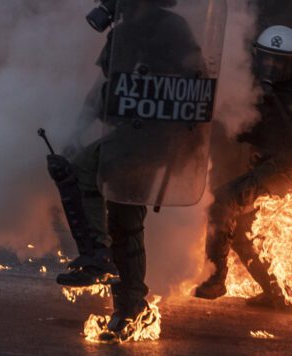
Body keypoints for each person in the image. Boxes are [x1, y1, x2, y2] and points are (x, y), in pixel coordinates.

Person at [47, 0, 202, 336]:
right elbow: (104, 90)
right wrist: (77, 131)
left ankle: (98, 257)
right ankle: (130, 308)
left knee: (87, 175)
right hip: (128, 133)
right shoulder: (125, 31)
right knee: (122, 214)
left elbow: (195, 84)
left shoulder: (170, 28)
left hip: (156, 136)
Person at [194, 25, 292, 307]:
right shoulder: (260, 88)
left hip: (291, 167)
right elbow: (257, 132)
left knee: (222, 202)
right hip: (270, 165)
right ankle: (277, 293)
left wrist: (273, 98)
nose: (271, 66)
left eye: (278, 61)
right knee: (243, 229)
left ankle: (216, 280)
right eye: (266, 59)